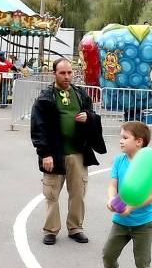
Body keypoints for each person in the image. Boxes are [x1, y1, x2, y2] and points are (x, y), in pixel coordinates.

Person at [31, 58, 106, 245]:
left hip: (78, 153)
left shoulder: (80, 94)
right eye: (62, 73)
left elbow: (92, 114)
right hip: (55, 154)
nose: (67, 76)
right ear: (54, 74)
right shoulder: (45, 98)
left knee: (78, 193)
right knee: (52, 194)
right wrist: (45, 153)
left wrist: (88, 117)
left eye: (69, 72)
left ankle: (75, 227)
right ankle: (51, 230)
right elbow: (38, 127)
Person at [103, 121, 152, 268]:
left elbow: (151, 195)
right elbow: (112, 184)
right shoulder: (119, 160)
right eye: (121, 137)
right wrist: (111, 200)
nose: (121, 141)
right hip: (120, 222)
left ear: (139, 142)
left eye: (125, 138)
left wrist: (131, 208)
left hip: (143, 223)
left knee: (142, 263)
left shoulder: (147, 164)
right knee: (108, 255)